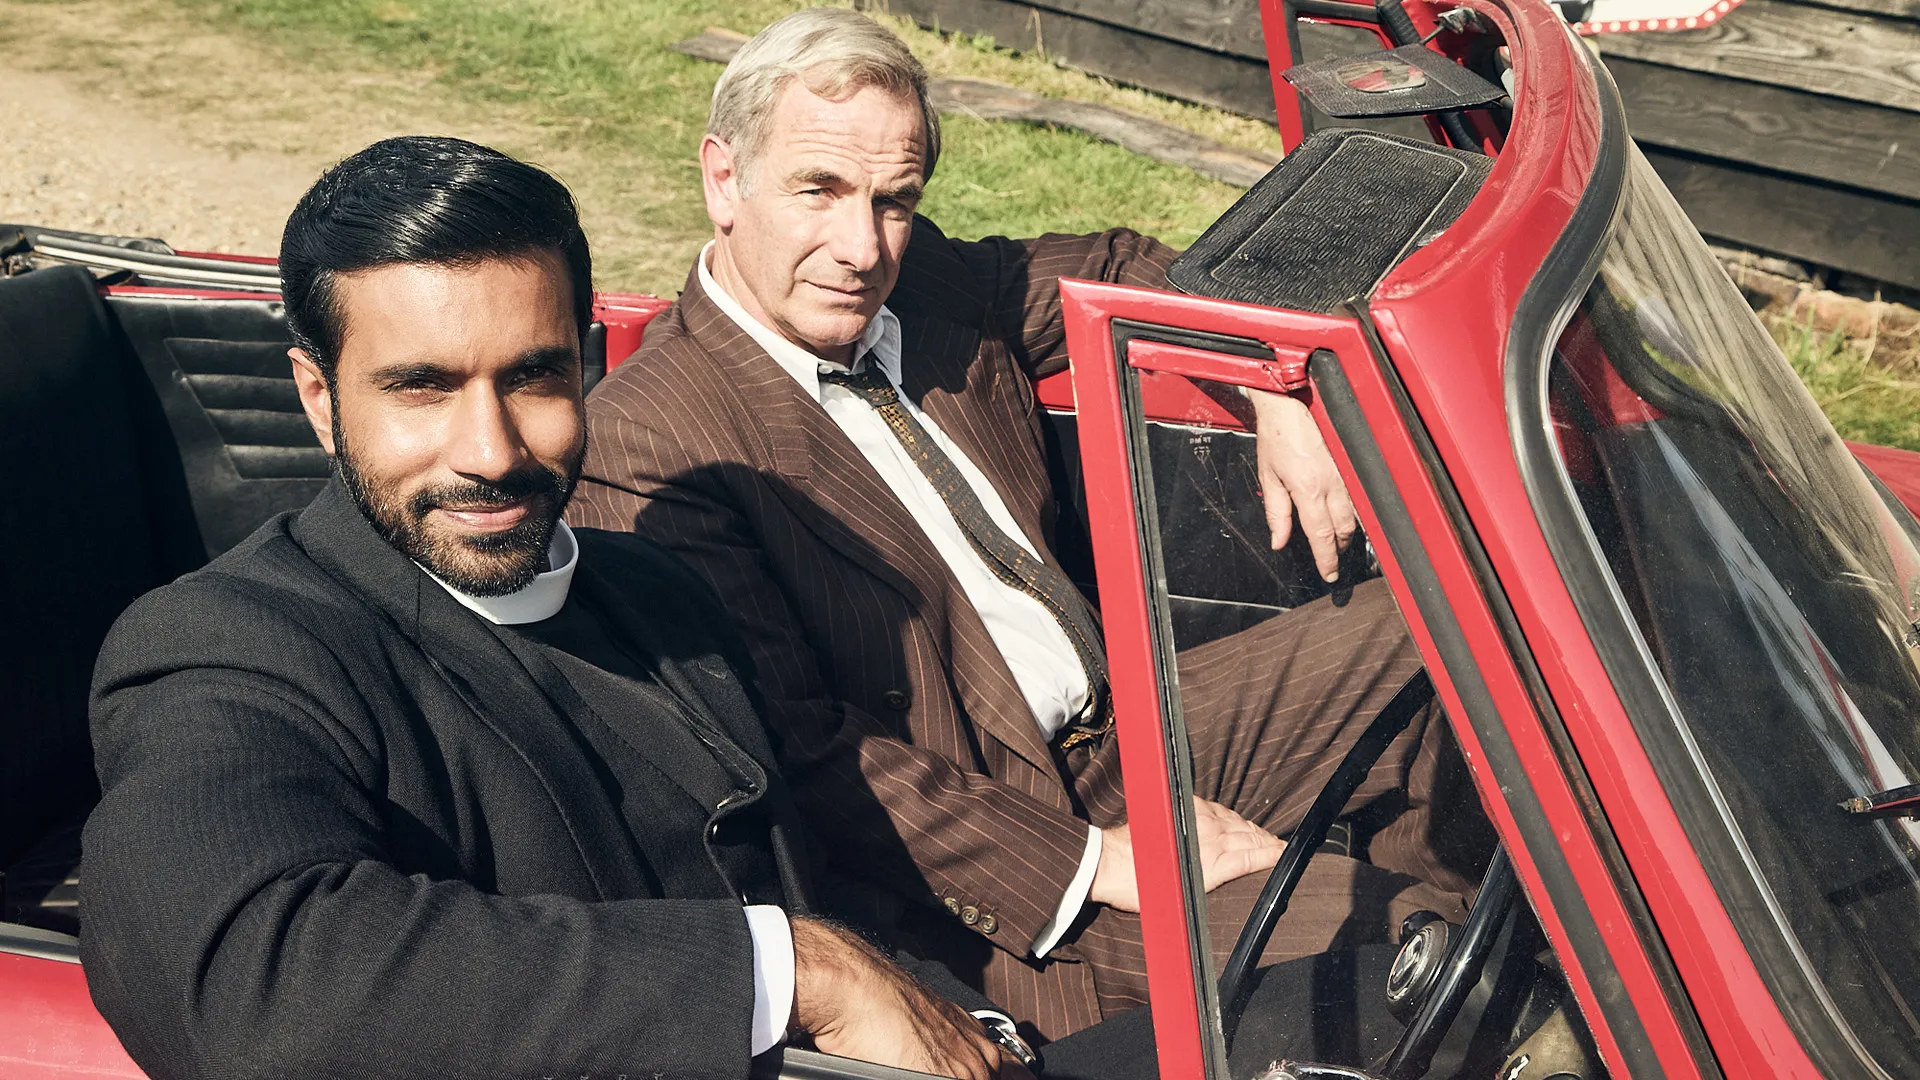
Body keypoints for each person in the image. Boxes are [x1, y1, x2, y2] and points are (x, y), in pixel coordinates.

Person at [570, 8, 1494, 1044]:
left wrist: (1277, 380)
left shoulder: (926, 284)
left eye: (895, 201)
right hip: (1007, 843)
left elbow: (1121, 262)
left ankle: (1421, 944)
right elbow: (809, 757)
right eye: (818, 190)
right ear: (723, 179)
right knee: (1426, 956)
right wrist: (1105, 861)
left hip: (1131, 726)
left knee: (1445, 633)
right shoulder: (652, 442)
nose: (861, 246)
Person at [80, 135, 1045, 1080]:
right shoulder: (226, 649)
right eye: (422, 389)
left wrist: (970, 1024)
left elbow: (806, 877)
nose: (491, 451)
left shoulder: (657, 589)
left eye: (533, 376)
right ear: (320, 399)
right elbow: (247, 984)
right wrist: (800, 972)